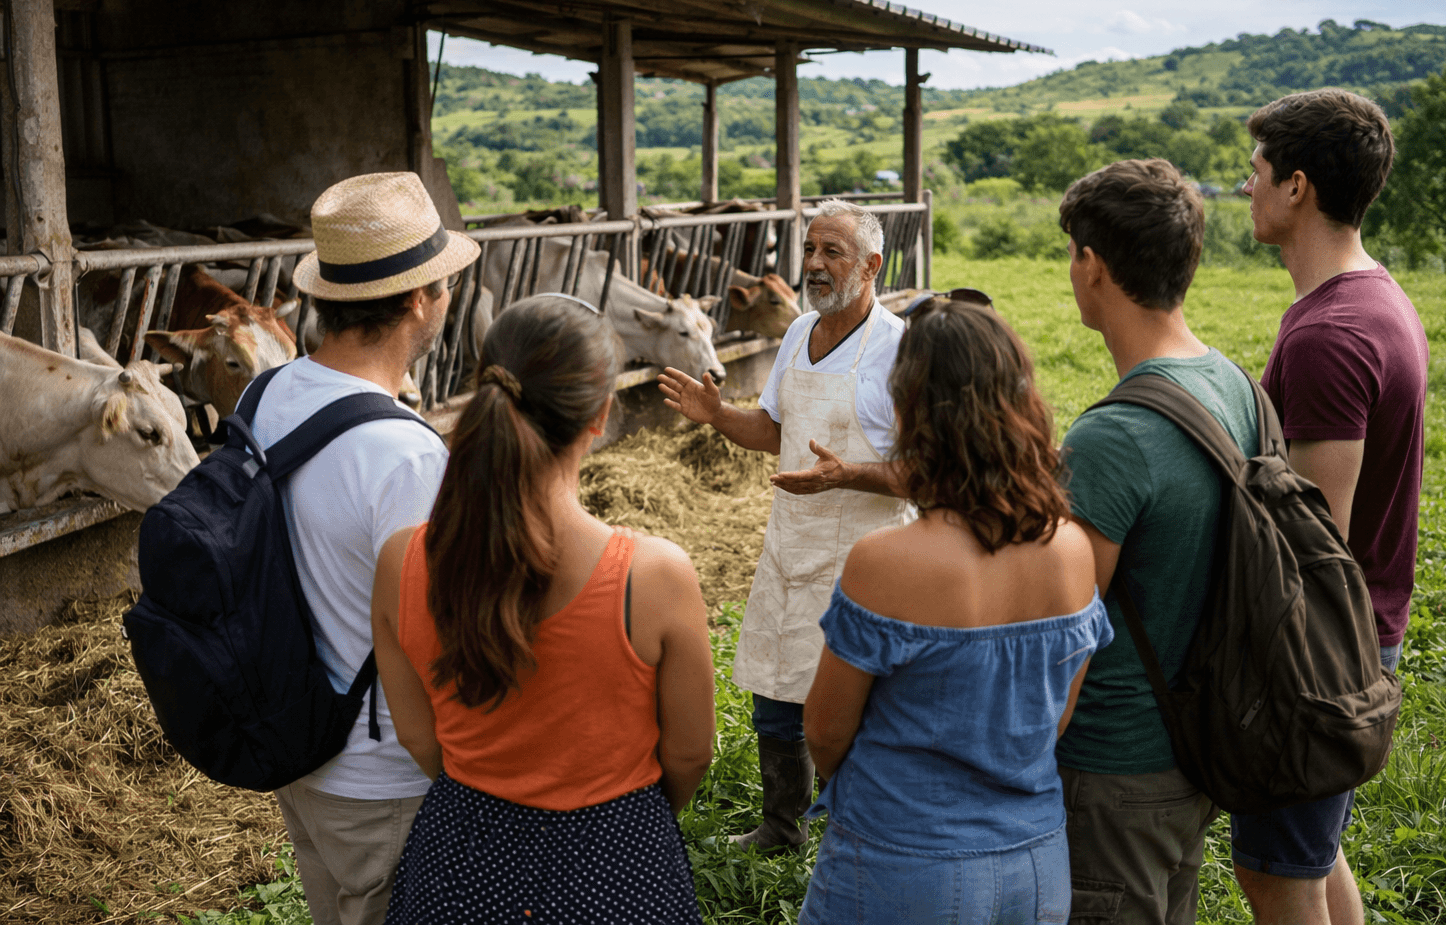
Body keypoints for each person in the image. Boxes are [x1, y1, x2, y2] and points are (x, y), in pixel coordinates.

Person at [371, 293, 717, 924]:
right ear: (601, 415)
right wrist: (620, 814)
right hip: (621, 861)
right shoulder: (657, 575)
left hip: (461, 859)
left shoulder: (402, 561)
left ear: (484, 391)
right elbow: (691, 754)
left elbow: (421, 738)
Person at [797, 299, 1110, 924]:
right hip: (1035, 859)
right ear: (1021, 404)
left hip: (900, 861)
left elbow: (825, 734)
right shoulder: (1072, 548)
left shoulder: (884, 561)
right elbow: (1055, 717)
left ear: (911, 407)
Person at [254, 171, 481, 925]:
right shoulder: (407, 456)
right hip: (383, 776)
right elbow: (433, 636)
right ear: (420, 300)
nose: (448, 294)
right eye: (444, 280)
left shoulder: (269, 395)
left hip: (298, 742)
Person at [657, 199, 913, 853]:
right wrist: (718, 415)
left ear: (872, 265)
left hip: (869, 558)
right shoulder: (799, 332)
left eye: (833, 252)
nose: (815, 265)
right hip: (793, 543)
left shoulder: (901, 350)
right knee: (775, 692)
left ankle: (861, 831)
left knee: (858, 704)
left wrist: (847, 475)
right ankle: (782, 827)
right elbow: (775, 431)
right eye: (809, 250)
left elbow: (927, 471)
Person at [1232, 89, 1426, 925]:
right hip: (1360, 635)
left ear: (1297, 187)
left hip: (1320, 653)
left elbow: (1314, 545)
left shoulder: (1329, 335)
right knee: (1310, 853)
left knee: (1277, 875)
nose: (1246, 189)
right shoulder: (1372, 297)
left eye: (1256, 172)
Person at [1054, 158, 1260, 925]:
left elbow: (1063, 627)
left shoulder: (1112, 437)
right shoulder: (1233, 383)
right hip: (1199, 744)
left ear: (1092, 264)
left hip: (1113, 768)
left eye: (1072, 252)